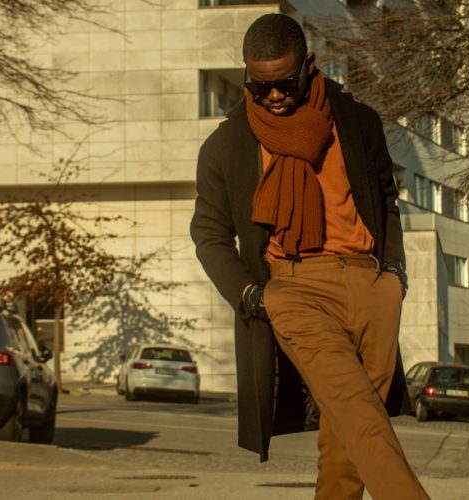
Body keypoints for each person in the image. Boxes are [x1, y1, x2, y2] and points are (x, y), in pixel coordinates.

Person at [190, 13, 429, 500]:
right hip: (295, 289)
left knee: (348, 431)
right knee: (358, 411)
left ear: (309, 66)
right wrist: (252, 295)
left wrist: (394, 275)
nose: (274, 96)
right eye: (260, 87)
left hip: (371, 284)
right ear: (246, 78)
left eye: (285, 83)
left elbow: (386, 198)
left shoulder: (356, 122)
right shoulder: (227, 146)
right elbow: (209, 234)